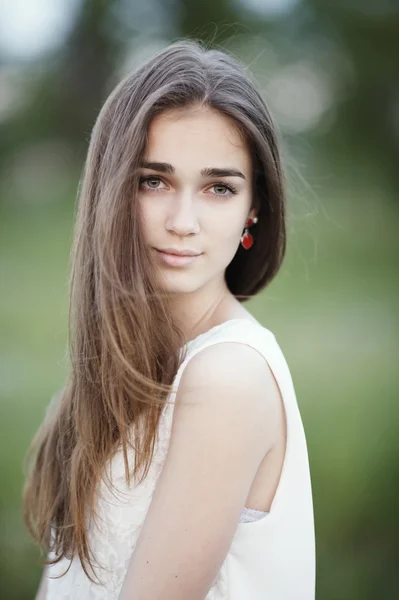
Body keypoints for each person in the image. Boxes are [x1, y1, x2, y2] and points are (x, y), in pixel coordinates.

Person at [23, 38, 316, 599]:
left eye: (218, 188)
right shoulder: (124, 357)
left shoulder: (226, 377)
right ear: (112, 191)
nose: (183, 221)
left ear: (254, 207)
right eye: (153, 181)